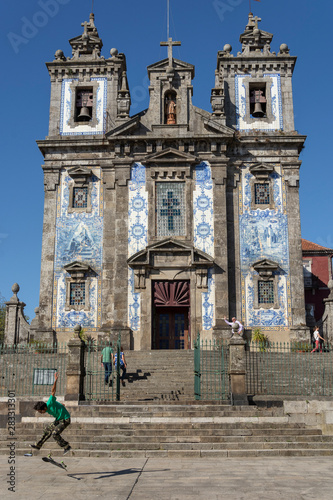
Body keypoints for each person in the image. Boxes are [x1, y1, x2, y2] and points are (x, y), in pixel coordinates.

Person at [30, 373, 71, 455]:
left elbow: (53, 391)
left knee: (55, 434)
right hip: (59, 420)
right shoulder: (48, 406)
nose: (41, 413)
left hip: (65, 419)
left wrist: (55, 380)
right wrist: (61, 405)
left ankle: (66, 446)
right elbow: (56, 404)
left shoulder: (49, 402)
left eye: (41, 411)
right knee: (47, 430)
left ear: (44, 408)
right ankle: (38, 445)